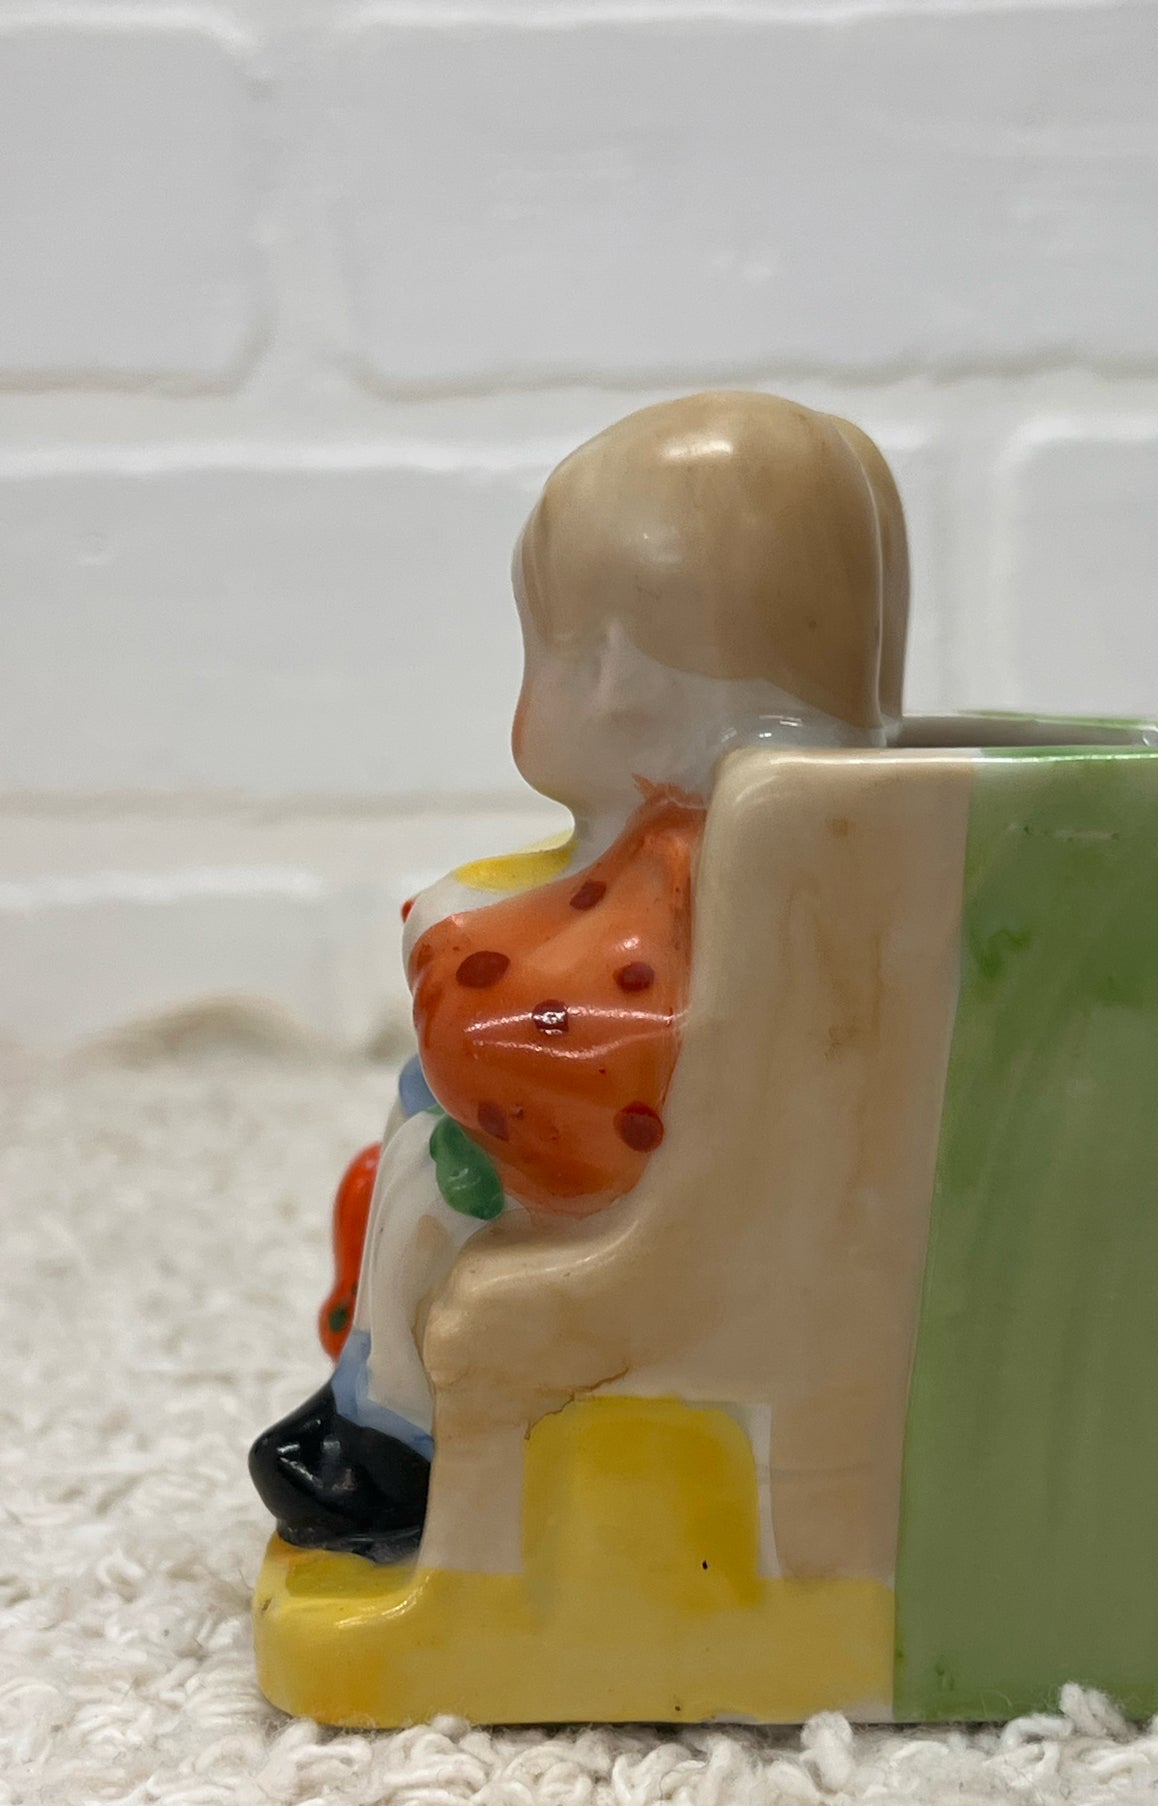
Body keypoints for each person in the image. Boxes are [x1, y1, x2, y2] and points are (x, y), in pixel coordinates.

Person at [249, 392, 907, 1556]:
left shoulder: (741, 838)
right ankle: (371, 1383)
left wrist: (446, 937)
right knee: (409, 1134)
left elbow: (592, 1018)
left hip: (649, 1159)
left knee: (432, 1171)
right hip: (737, 1148)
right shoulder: (786, 816)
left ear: (615, 677)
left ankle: (386, 1429)